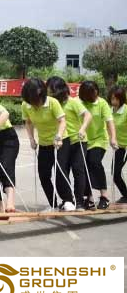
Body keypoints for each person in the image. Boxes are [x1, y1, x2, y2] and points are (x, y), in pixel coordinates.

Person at [21, 78, 74, 211]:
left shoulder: (52, 103)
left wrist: (59, 136)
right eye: (31, 101)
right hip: (44, 143)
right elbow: (28, 122)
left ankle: (68, 200)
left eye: (36, 100)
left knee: (60, 171)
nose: (35, 104)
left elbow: (62, 121)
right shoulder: (26, 105)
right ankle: (53, 204)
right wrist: (31, 139)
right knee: (43, 174)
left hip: (60, 141)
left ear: (42, 94)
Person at [46, 77, 92, 210]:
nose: (49, 93)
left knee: (78, 170)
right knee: (61, 171)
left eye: (51, 90)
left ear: (59, 89)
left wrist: (82, 129)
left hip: (78, 141)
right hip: (63, 142)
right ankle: (68, 199)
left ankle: (79, 201)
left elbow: (88, 115)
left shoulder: (72, 102)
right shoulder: (52, 103)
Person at [78, 80, 118, 210]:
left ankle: (104, 196)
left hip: (99, 140)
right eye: (91, 94)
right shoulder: (80, 103)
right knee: (84, 168)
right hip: (84, 140)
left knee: (94, 162)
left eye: (95, 92)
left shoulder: (102, 103)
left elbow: (110, 122)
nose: (95, 95)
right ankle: (89, 198)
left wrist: (113, 138)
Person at [108, 86, 127, 204]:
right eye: (111, 98)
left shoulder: (126, 111)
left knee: (115, 173)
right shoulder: (110, 111)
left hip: (125, 147)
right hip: (117, 147)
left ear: (121, 99)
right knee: (115, 173)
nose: (113, 101)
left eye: (115, 99)